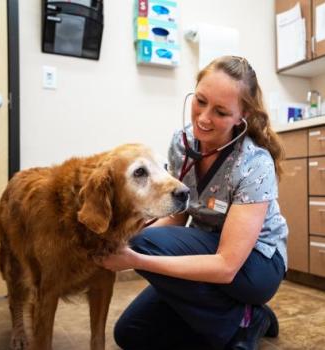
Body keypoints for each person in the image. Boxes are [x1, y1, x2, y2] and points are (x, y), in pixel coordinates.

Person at [100, 55, 288, 350]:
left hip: (255, 265)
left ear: (242, 117)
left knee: (143, 243)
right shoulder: (182, 144)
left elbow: (226, 265)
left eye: (221, 112)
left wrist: (136, 259)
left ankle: (245, 319)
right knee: (131, 333)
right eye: (200, 101)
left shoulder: (254, 163)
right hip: (207, 247)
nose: (203, 117)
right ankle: (241, 319)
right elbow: (176, 217)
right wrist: (128, 241)